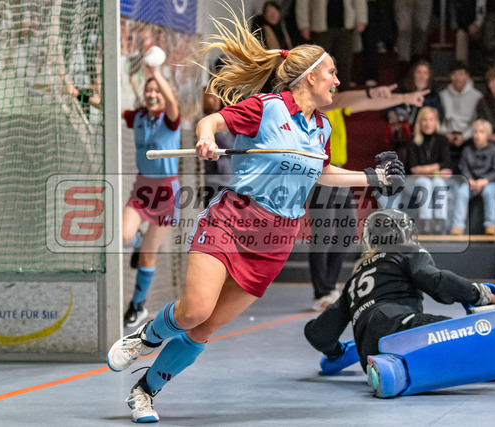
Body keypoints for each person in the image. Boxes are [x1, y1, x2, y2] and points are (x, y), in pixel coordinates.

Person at [106, 10, 405, 423]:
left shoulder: (322, 129)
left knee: (204, 329)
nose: (337, 81)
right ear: (309, 78)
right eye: (332, 73)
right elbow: (212, 120)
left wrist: (373, 177)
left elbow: (322, 172)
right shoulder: (267, 108)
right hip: (232, 220)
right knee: (194, 311)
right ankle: (145, 337)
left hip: (274, 241)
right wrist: (206, 139)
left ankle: (144, 392)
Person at [304, 208, 495, 377]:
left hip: (367, 351)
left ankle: (392, 372)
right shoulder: (404, 252)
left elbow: (319, 334)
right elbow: (438, 281)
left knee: (407, 350)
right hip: (400, 326)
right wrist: (480, 294)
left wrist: (337, 353)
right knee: (462, 333)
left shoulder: (354, 280)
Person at [308, 84, 429, 311]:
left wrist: (405, 97)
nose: (335, 81)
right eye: (331, 74)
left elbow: (369, 103)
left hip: (338, 172)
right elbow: (347, 98)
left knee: (348, 230)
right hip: (319, 175)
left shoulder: (337, 105)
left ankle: (329, 287)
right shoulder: (316, 104)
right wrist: (372, 92)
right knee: (322, 234)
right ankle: (320, 293)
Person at [120, 68, 181, 327]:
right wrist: (80, 94)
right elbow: (110, 107)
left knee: (148, 255)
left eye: (157, 90)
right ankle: (137, 240)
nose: (152, 94)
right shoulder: (138, 117)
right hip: (142, 188)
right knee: (123, 236)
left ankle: (137, 305)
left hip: (167, 192)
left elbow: (173, 102)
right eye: (148, 90)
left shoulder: (171, 119)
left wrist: (155, 72)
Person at [389, 107, 452, 235]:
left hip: (435, 179)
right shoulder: (413, 142)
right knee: (425, 183)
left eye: (431, 120)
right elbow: (414, 169)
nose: (428, 123)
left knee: (439, 183)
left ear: (436, 122)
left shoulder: (442, 140)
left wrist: (425, 170)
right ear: (420, 122)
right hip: (414, 181)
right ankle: (425, 222)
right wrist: (436, 170)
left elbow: (446, 164)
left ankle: (440, 222)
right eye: (424, 120)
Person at [296, 0, 367, 90]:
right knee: (320, 64)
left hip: (345, 27)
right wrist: (303, 24)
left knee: (344, 63)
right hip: (320, 28)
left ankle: (344, 92)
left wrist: (361, 18)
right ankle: (321, 92)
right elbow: (303, 3)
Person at [451, 119, 495, 235]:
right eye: (475, 132)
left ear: (488, 134)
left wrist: (484, 181)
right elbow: (463, 168)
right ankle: (458, 226)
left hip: (488, 182)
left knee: (489, 192)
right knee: (461, 192)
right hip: (470, 182)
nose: (478, 135)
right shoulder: (467, 150)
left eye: (481, 132)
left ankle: (491, 225)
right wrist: (470, 181)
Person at [439, 61, 483, 174]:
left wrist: (464, 136)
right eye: (454, 74)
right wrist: (446, 133)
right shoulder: (442, 95)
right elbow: (438, 121)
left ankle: (470, 177)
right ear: (450, 76)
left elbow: (477, 122)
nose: (457, 78)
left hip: (468, 135)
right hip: (447, 134)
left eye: (461, 74)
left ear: (467, 76)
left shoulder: (477, 96)